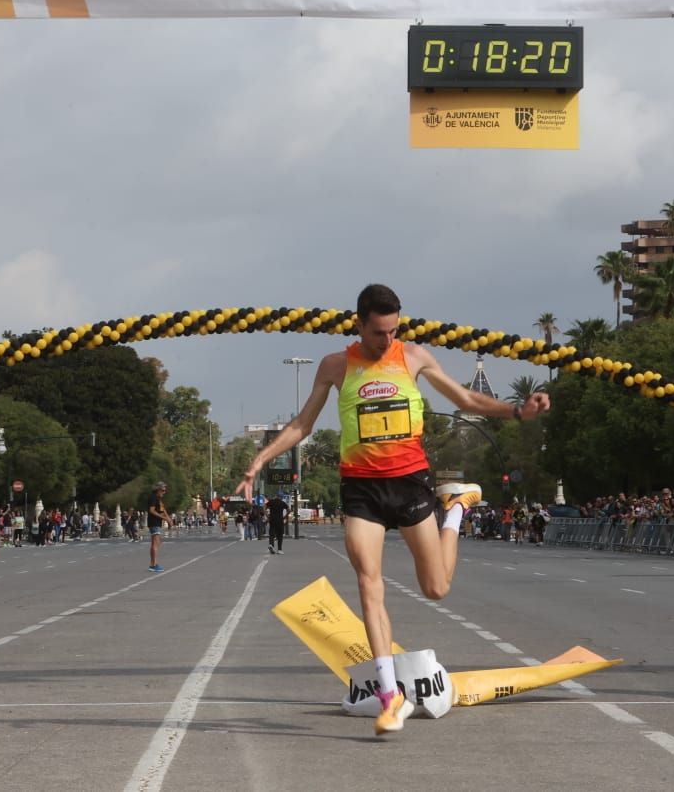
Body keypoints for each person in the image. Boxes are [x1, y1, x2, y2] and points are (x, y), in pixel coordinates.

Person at [235, 284, 550, 735]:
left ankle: (456, 508)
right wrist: (258, 462)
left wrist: (518, 412)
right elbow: (303, 424)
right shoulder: (336, 366)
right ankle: (389, 695)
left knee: (436, 588)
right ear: (359, 324)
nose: (387, 341)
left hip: (410, 483)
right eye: (379, 332)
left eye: (393, 331)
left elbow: (464, 400)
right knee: (368, 580)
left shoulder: (414, 357)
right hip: (361, 489)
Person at [146, 481, 174, 572]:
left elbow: (163, 509)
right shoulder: (153, 498)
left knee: (157, 543)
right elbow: (152, 511)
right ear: (157, 490)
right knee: (155, 542)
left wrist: (168, 518)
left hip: (157, 523)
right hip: (153, 522)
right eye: (162, 490)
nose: (164, 492)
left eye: (165, 491)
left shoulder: (158, 499)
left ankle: (153, 563)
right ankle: (153, 564)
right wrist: (164, 518)